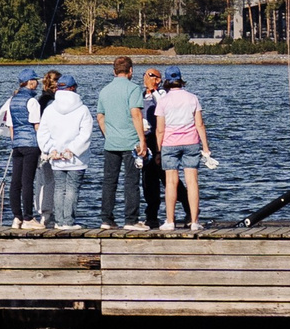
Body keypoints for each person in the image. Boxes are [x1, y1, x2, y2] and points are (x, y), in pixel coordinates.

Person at [154, 67, 210, 231]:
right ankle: (194, 221)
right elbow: (199, 124)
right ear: (180, 79)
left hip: (169, 144)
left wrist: (158, 151)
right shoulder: (192, 98)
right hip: (191, 142)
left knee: (171, 182)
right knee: (192, 182)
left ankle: (170, 221)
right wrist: (205, 147)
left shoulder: (163, 101)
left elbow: (160, 130)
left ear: (166, 81)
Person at [95, 56, 147, 230]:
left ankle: (106, 219)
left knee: (109, 181)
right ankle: (131, 220)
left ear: (114, 71)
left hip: (111, 143)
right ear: (131, 70)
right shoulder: (133, 89)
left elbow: (100, 117)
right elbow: (136, 114)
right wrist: (142, 139)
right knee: (131, 181)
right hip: (131, 141)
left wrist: (108, 134)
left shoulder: (105, 90)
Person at [36, 80, 92, 229]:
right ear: (73, 88)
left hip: (56, 156)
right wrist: (72, 150)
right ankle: (68, 221)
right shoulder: (83, 110)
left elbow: (42, 133)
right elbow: (85, 134)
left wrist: (51, 149)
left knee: (59, 188)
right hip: (76, 157)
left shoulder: (49, 109)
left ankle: (59, 221)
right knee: (72, 188)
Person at [0, 74, 42, 228]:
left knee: (16, 182)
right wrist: (42, 146)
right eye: (35, 81)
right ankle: (28, 218)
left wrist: (15, 143)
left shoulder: (12, 100)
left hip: (17, 145)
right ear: (30, 82)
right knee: (27, 182)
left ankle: (17, 217)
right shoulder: (32, 101)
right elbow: (36, 126)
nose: (37, 84)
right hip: (31, 145)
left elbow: (11, 126)